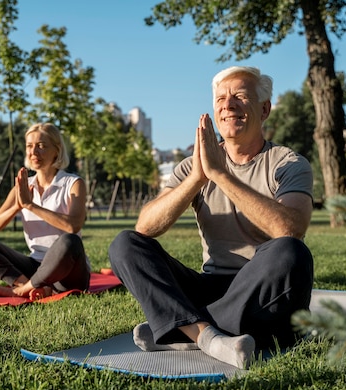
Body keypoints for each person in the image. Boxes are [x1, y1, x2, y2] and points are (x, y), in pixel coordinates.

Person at [108, 66, 314, 369]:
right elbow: (146, 227)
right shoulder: (195, 166)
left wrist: (220, 174)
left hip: (262, 290)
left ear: (265, 108)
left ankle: (179, 328)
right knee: (125, 243)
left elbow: (289, 228)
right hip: (211, 285)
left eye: (240, 97)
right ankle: (206, 335)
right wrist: (197, 179)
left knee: (291, 252)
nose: (228, 105)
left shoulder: (287, 163)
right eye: (220, 100)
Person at [0, 122, 90, 300]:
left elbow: (73, 226)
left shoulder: (73, 183)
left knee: (69, 241)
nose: (34, 152)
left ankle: (21, 290)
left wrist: (31, 206)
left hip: (68, 273)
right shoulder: (23, 187)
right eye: (29, 146)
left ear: (57, 150)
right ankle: (28, 285)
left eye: (41, 146)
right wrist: (18, 205)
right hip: (34, 266)